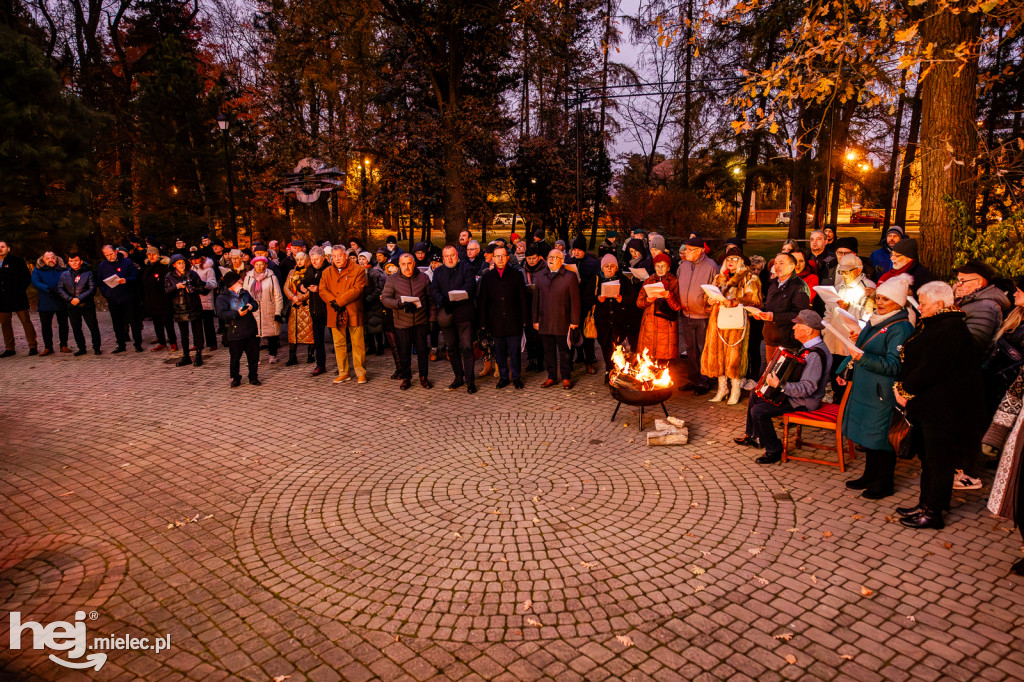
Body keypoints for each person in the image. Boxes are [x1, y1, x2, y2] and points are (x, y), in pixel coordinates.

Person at [894, 281, 985, 529]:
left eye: (923, 304)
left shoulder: (952, 328)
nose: (920, 308)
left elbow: (933, 367)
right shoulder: (937, 324)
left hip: (945, 409)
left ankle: (933, 512)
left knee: (939, 461)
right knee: (928, 459)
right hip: (931, 405)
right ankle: (926, 503)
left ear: (939, 303)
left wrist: (904, 388)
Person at [834, 275, 915, 499]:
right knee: (869, 436)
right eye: (878, 298)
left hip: (882, 392)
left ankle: (884, 482)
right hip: (866, 388)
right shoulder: (875, 319)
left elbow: (894, 365)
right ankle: (869, 475)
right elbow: (858, 347)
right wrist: (843, 369)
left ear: (899, 303)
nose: (879, 303)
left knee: (881, 439)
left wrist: (862, 358)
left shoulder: (901, 328)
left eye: (886, 300)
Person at [736, 310, 832, 464]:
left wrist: (780, 385)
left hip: (804, 401)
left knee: (759, 411)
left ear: (808, 330)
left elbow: (808, 388)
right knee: (757, 393)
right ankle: (754, 436)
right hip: (796, 395)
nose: (793, 328)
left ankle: (774, 450)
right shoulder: (809, 348)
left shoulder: (815, 355)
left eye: (797, 325)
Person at [701, 251, 762, 405]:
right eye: (728, 259)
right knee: (718, 355)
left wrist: (733, 302)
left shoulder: (750, 278)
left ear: (741, 261)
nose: (731, 262)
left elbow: (754, 301)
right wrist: (711, 299)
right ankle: (722, 389)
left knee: (734, 355)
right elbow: (706, 300)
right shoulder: (719, 278)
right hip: (717, 321)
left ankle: (735, 389)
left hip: (736, 322)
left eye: (735, 259)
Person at [822, 254, 875, 397]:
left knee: (846, 378)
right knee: (834, 375)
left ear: (858, 270)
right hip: (833, 339)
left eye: (847, 271)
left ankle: (843, 406)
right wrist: (825, 329)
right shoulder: (839, 287)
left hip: (850, 342)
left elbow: (869, 314)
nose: (844, 275)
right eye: (841, 272)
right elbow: (829, 309)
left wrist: (849, 307)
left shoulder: (868, 288)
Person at [478, 244, 528, 390]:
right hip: (496, 321)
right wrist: (483, 322)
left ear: (507, 258)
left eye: (502, 256)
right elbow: (483, 301)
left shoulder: (516, 274)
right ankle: (504, 377)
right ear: (493, 258)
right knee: (499, 353)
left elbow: (523, 299)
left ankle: (517, 378)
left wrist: (525, 319)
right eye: (497, 256)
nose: (500, 259)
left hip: (514, 320)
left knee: (515, 352)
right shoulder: (487, 277)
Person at [750, 252, 811, 372]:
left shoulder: (799, 286)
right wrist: (760, 313)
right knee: (768, 373)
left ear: (792, 266)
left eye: (781, 263)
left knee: (781, 376)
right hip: (770, 337)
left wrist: (774, 317)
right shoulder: (774, 284)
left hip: (787, 341)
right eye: (775, 263)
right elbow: (769, 306)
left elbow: (800, 315)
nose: (777, 266)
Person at [381, 253, 434, 390]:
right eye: (403, 264)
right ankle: (406, 378)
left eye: (409, 263)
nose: (406, 267)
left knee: (422, 352)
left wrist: (432, 319)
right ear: (399, 265)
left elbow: (431, 300)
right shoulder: (392, 279)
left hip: (421, 322)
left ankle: (424, 377)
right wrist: (399, 303)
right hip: (402, 323)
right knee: (404, 352)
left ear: (414, 263)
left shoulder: (423, 277)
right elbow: (385, 299)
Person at [430, 245, 478, 392]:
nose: (450, 259)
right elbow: (434, 290)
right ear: (443, 257)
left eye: (452, 255)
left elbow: (470, 287)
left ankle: (470, 380)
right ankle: (458, 377)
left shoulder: (466, 268)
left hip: (464, 314)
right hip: (446, 314)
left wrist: (454, 299)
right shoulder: (438, 272)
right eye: (446, 256)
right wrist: (443, 301)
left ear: (457, 255)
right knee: (451, 348)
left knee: (467, 347)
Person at [319, 245, 368, 384]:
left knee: (357, 343)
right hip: (334, 311)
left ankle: (361, 372)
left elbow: (357, 289)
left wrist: (339, 302)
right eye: (334, 257)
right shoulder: (327, 272)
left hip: (352, 311)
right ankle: (343, 372)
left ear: (346, 256)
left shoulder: (358, 270)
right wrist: (333, 302)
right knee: (339, 344)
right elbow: (322, 290)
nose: (337, 259)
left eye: (339, 256)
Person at [532, 248, 581, 389]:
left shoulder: (569, 276)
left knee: (565, 351)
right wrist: (535, 319)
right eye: (549, 257)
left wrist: (574, 321)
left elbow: (575, 301)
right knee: (548, 351)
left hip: (563, 321)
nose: (551, 260)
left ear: (562, 261)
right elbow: (536, 299)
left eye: (554, 257)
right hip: (545, 321)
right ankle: (551, 377)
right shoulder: (540, 275)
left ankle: (566, 377)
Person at [676, 236, 718, 394]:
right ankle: (693, 379)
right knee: (690, 349)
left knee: (703, 349)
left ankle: (704, 381)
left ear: (699, 251)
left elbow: (716, 289)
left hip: (703, 316)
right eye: (685, 249)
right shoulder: (683, 266)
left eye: (689, 250)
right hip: (686, 314)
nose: (685, 252)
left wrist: (707, 307)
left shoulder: (711, 266)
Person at [593, 254, 639, 380]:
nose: (609, 269)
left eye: (612, 266)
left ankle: (620, 369)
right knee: (606, 346)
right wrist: (598, 299)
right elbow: (586, 298)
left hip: (619, 320)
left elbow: (632, 298)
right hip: (603, 320)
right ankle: (609, 370)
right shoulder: (596, 279)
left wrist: (622, 299)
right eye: (606, 266)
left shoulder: (623, 279)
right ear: (602, 268)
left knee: (619, 346)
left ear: (616, 268)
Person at [953, 260, 1010, 354]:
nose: (958, 285)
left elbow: (972, 346)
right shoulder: (971, 302)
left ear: (979, 282)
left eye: (963, 281)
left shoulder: (985, 307)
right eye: (958, 281)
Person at [216, 271, 261, 386]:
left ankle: (253, 376)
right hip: (235, 331)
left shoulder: (245, 293)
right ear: (232, 283)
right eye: (239, 280)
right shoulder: (222, 297)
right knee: (235, 357)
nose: (242, 281)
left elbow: (255, 303)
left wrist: (252, 306)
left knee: (253, 356)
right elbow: (221, 313)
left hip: (250, 329)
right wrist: (236, 314)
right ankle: (235, 377)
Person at [637, 253, 683, 364]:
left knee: (664, 360)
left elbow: (677, 307)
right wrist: (648, 300)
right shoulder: (648, 281)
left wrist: (669, 296)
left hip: (666, 325)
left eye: (663, 266)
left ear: (668, 267)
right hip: (649, 325)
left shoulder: (674, 282)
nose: (660, 269)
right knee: (648, 358)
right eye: (658, 266)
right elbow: (639, 303)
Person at [165, 254, 209, 367]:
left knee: (198, 332)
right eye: (179, 263)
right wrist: (176, 287)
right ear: (174, 264)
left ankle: (198, 355)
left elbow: (203, 289)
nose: (182, 265)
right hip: (179, 308)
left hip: (194, 306)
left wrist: (194, 289)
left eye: (183, 262)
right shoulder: (169, 276)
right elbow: (166, 291)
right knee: (184, 334)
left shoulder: (192, 273)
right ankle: (186, 356)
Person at [97, 244, 143, 353]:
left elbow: (135, 276)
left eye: (111, 254)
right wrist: (106, 293)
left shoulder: (126, 262)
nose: (109, 257)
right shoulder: (102, 266)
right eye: (106, 255)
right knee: (117, 323)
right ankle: (121, 344)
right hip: (113, 298)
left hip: (128, 296)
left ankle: (138, 343)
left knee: (133, 321)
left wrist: (126, 279)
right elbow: (100, 282)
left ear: (116, 252)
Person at [567, 236, 601, 374]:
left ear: (584, 250)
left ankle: (589, 361)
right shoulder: (568, 262)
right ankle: (575, 359)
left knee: (587, 335)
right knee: (572, 333)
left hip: (586, 302)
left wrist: (583, 282)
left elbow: (596, 282)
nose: (576, 253)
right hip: (572, 303)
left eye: (579, 250)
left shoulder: (592, 263)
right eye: (574, 250)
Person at [57, 254, 102, 355]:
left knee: (92, 326)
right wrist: (70, 299)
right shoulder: (64, 275)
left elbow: (92, 289)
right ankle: (81, 348)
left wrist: (79, 298)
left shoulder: (88, 273)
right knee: (76, 327)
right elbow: (60, 289)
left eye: (76, 260)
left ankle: (97, 347)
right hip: (72, 305)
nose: (74, 263)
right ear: (68, 263)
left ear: (81, 261)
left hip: (86, 304)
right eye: (71, 261)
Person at [0, 241, 39, 357]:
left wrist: (20, 290)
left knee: (26, 322)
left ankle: (33, 346)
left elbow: (26, 277)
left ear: (8, 249)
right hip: (2, 300)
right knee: (5, 324)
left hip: (17, 297)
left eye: (3, 247)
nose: (0, 249)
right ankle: (9, 348)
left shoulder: (17, 261)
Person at [242, 256, 284, 364]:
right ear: (253, 265)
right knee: (254, 335)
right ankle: (256, 357)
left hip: (269, 307)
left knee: (272, 334)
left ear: (265, 265)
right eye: (257, 264)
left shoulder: (271, 277)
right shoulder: (249, 277)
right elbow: (244, 294)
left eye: (262, 264)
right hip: (254, 309)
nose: (259, 267)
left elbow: (278, 295)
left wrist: (278, 311)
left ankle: (272, 355)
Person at [31, 251, 70, 355]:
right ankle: (48, 347)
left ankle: (64, 345)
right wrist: (48, 289)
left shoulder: (64, 269)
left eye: (53, 258)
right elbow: (35, 282)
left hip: (61, 299)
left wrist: (60, 290)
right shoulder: (38, 270)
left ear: (56, 258)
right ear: (43, 260)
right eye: (48, 258)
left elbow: (69, 279)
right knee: (45, 325)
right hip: (46, 300)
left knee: (63, 324)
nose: (51, 260)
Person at [140, 247, 177, 352]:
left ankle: (173, 342)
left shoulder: (164, 267)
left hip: (163, 299)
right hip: (151, 299)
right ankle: (162, 342)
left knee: (167, 322)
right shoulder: (146, 268)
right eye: (149, 254)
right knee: (156, 322)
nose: (151, 256)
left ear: (158, 255)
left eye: (153, 254)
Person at [283, 251, 315, 366]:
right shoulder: (292, 272)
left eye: (301, 259)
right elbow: (286, 286)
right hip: (294, 306)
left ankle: (310, 355)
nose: (299, 261)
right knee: (293, 332)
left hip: (306, 305)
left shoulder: (310, 271)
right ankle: (292, 356)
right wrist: (292, 297)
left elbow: (310, 288)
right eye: (297, 259)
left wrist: (300, 297)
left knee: (309, 331)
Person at [303, 246, 329, 375]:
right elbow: (304, 281)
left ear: (323, 258)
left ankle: (343, 365)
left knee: (337, 340)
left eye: (317, 259)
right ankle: (320, 365)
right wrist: (301, 286)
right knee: (318, 340)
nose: (314, 262)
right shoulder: (310, 269)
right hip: (315, 309)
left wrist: (319, 289)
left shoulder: (329, 269)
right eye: (312, 259)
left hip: (329, 309)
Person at [190, 248, 219, 351]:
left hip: (206, 299)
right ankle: (198, 343)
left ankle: (212, 343)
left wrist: (203, 284)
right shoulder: (191, 269)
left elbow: (214, 284)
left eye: (196, 259)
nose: (194, 261)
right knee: (196, 323)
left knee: (208, 323)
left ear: (201, 258)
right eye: (192, 259)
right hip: (195, 299)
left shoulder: (209, 269)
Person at [359, 251, 386, 357]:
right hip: (364, 303)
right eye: (360, 259)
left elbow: (378, 288)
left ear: (368, 260)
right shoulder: (358, 271)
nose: (361, 261)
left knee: (376, 325)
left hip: (374, 303)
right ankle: (371, 346)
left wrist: (368, 299)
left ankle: (380, 346)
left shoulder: (374, 272)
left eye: (363, 259)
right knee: (367, 325)